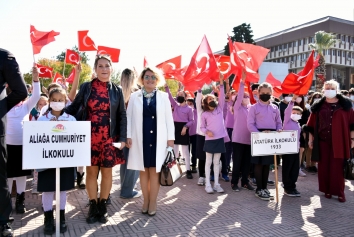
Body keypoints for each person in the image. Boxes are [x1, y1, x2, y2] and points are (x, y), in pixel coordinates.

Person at [65, 55, 127, 223]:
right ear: (95, 68)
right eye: (100, 66)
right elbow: (74, 107)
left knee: (107, 173)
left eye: (107, 66)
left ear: (111, 69)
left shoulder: (117, 90)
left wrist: (122, 138)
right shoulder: (86, 87)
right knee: (91, 172)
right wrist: (55, 113)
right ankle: (93, 206)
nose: (104, 69)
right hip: (89, 138)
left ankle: (102, 206)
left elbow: (122, 115)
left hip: (109, 138)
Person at [126, 67, 174, 216]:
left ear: (157, 80)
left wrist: (170, 140)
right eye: (147, 77)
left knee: (154, 171)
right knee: (143, 171)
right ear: (142, 79)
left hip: (158, 139)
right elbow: (129, 118)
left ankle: (153, 201)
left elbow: (168, 119)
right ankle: (145, 201)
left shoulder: (163, 96)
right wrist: (128, 135)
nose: (150, 80)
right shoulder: (134, 97)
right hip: (140, 139)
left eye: (153, 77)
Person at [306, 80, 354, 203]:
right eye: (327, 87)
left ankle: (339, 192)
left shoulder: (346, 105)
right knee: (324, 167)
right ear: (323, 90)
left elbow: (352, 124)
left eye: (332, 88)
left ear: (336, 89)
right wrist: (311, 140)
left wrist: (352, 138)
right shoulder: (318, 106)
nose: (329, 90)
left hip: (340, 141)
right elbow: (311, 125)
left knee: (337, 167)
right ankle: (326, 190)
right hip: (322, 141)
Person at [37, 88, 76, 234]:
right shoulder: (42, 120)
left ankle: (61, 218)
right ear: (49, 101)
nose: (57, 103)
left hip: (64, 162)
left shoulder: (71, 119)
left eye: (61, 100)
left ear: (65, 102)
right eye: (54, 100)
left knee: (62, 190)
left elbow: (76, 138)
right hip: (46, 162)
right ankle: (48, 218)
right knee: (47, 190)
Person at [0, 48, 28, 237]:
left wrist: (0, 108)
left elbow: (21, 91)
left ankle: (2, 222)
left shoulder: (3, 56)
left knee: (0, 176)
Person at [5, 64, 40, 214]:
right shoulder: (3, 104)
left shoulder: (25, 106)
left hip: (22, 145)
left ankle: (20, 200)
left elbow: (37, 96)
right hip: (6, 145)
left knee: (20, 175)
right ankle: (6, 202)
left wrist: (35, 79)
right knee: (7, 176)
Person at [247, 82, 282, 201]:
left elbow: (279, 122)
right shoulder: (253, 107)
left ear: (271, 93)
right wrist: (259, 134)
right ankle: (259, 189)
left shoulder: (275, 107)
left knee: (267, 164)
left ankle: (265, 187)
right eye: (263, 93)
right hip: (259, 137)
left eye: (268, 93)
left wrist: (278, 131)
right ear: (258, 93)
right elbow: (250, 124)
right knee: (259, 164)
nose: (265, 95)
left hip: (271, 138)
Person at [200, 73, 228, 194]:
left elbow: (222, 96)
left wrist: (221, 83)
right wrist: (207, 132)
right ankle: (208, 184)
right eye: (209, 99)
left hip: (219, 139)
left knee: (217, 162)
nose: (212, 100)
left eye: (213, 98)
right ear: (205, 102)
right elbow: (202, 127)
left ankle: (216, 184)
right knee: (208, 162)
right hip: (209, 140)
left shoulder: (220, 108)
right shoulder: (204, 114)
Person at [119, 68, 141, 199]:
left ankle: (125, 186)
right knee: (134, 163)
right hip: (134, 132)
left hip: (122, 132)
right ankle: (127, 190)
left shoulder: (117, 91)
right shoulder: (137, 94)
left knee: (125, 162)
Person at [231, 72, 254, 192]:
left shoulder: (251, 109)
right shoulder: (237, 107)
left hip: (249, 140)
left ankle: (245, 181)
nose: (246, 97)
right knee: (237, 162)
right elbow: (239, 96)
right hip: (238, 139)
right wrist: (242, 83)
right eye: (244, 96)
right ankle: (234, 182)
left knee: (247, 163)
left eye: (247, 96)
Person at [165, 84, 194, 179]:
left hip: (184, 128)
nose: (179, 97)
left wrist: (185, 127)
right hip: (175, 127)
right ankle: (175, 169)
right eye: (178, 95)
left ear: (186, 97)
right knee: (175, 151)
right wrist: (166, 87)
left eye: (182, 95)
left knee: (185, 151)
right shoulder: (175, 106)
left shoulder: (189, 109)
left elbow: (192, 121)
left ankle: (188, 170)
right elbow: (169, 96)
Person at [282, 95, 302, 197]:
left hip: (296, 149)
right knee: (287, 167)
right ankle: (287, 187)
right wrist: (292, 102)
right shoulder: (287, 122)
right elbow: (287, 111)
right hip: (287, 149)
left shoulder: (298, 124)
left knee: (295, 168)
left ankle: (293, 186)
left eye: (298, 113)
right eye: (293, 113)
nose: (295, 115)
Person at [186, 96, 198, 173]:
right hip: (187, 133)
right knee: (187, 151)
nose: (190, 105)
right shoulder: (186, 110)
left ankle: (194, 165)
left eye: (191, 103)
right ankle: (188, 167)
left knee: (194, 151)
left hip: (195, 134)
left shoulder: (196, 110)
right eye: (188, 103)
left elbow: (197, 103)